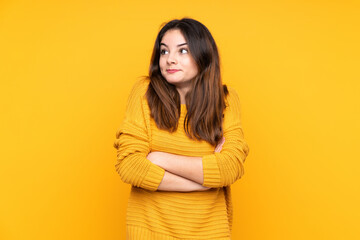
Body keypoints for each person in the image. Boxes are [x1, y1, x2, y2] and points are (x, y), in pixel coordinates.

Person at [113, 18, 249, 240]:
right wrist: (202, 184)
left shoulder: (226, 100)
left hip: (209, 233)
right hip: (149, 233)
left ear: (203, 56)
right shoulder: (144, 94)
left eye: (183, 51)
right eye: (164, 51)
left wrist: (160, 158)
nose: (170, 59)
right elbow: (129, 165)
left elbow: (230, 168)